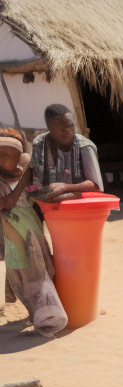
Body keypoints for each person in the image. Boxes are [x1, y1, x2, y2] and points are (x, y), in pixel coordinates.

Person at [0, 127, 68, 336]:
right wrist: (26, 175)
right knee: (18, 273)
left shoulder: (28, 178)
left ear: (20, 157)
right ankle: (36, 312)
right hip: (12, 233)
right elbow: (8, 202)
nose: (3, 159)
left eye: (9, 155)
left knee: (41, 268)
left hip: (31, 229)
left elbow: (37, 195)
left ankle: (47, 314)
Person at [30, 104, 103, 196]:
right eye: (59, 124)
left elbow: (96, 186)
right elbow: (35, 181)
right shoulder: (39, 144)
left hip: (78, 202)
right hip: (48, 202)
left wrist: (65, 188)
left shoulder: (84, 146)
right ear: (49, 126)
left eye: (69, 124)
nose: (66, 129)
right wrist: (31, 191)